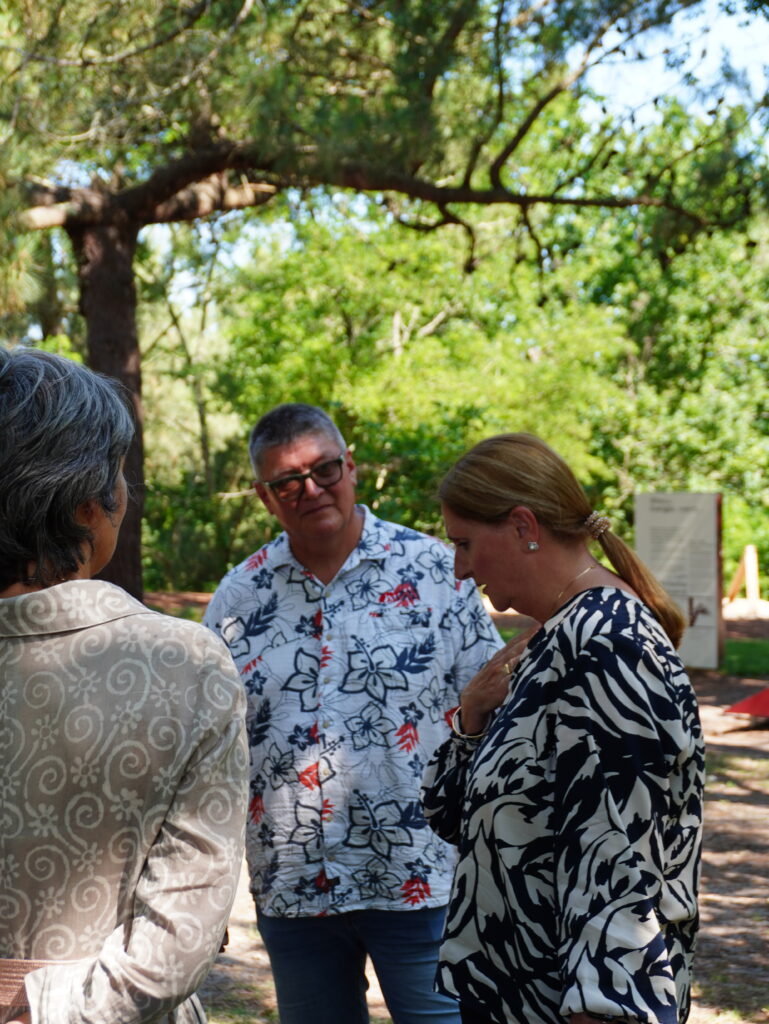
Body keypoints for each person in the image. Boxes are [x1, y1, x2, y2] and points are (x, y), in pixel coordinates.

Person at [203, 403, 506, 1024]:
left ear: (353, 468)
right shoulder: (239, 597)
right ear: (265, 497)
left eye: (325, 469)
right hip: (293, 885)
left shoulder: (435, 570)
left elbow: (492, 711)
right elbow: (214, 752)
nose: (310, 490)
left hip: (422, 873)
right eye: (288, 482)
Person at [0, 346, 248, 1024]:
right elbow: (176, 945)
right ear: (87, 507)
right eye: (118, 473)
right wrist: (40, 1006)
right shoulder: (187, 665)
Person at [421, 432, 705, 1024]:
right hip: (518, 995)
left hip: (568, 1007)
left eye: (465, 543)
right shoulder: (553, 639)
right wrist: (472, 720)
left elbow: (619, 864)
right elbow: (460, 819)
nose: (459, 567)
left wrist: (600, 1009)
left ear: (524, 525)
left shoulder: (608, 647)